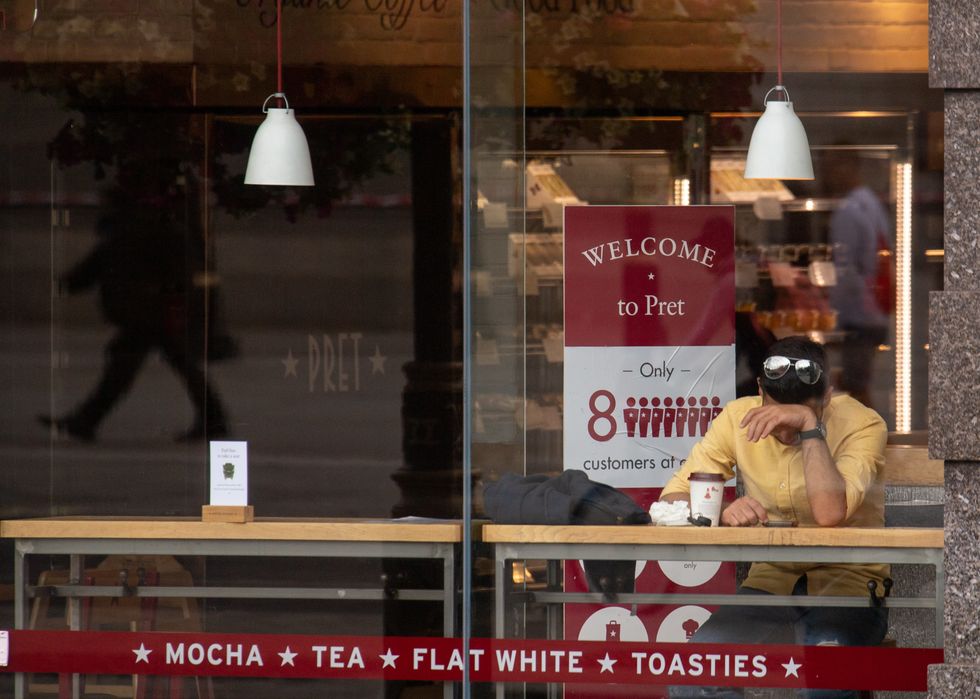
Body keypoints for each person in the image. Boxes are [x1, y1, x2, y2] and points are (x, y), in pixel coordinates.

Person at [661, 335, 888, 699]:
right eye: (774, 413)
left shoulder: (863, 424)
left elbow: (830, 513)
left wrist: (809, 427)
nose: (783, 432)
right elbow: (672, 498)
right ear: (759, 389)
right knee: (695, 673)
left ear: (828, 396)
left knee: (824, 677)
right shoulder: (737, 417)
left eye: (792, 420)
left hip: (848, 588)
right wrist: (719, 507)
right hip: (771, 583)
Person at [825, 149, 893, 408]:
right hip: (874, 310)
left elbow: (845, 269)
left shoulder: (849, 211)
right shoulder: (872, 203)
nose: (828, 175)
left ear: (848, 166)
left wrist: (833, 314)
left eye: (832, 167)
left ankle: (868, 439)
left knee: (856, 387)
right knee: (858, 382)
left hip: (858, 313)